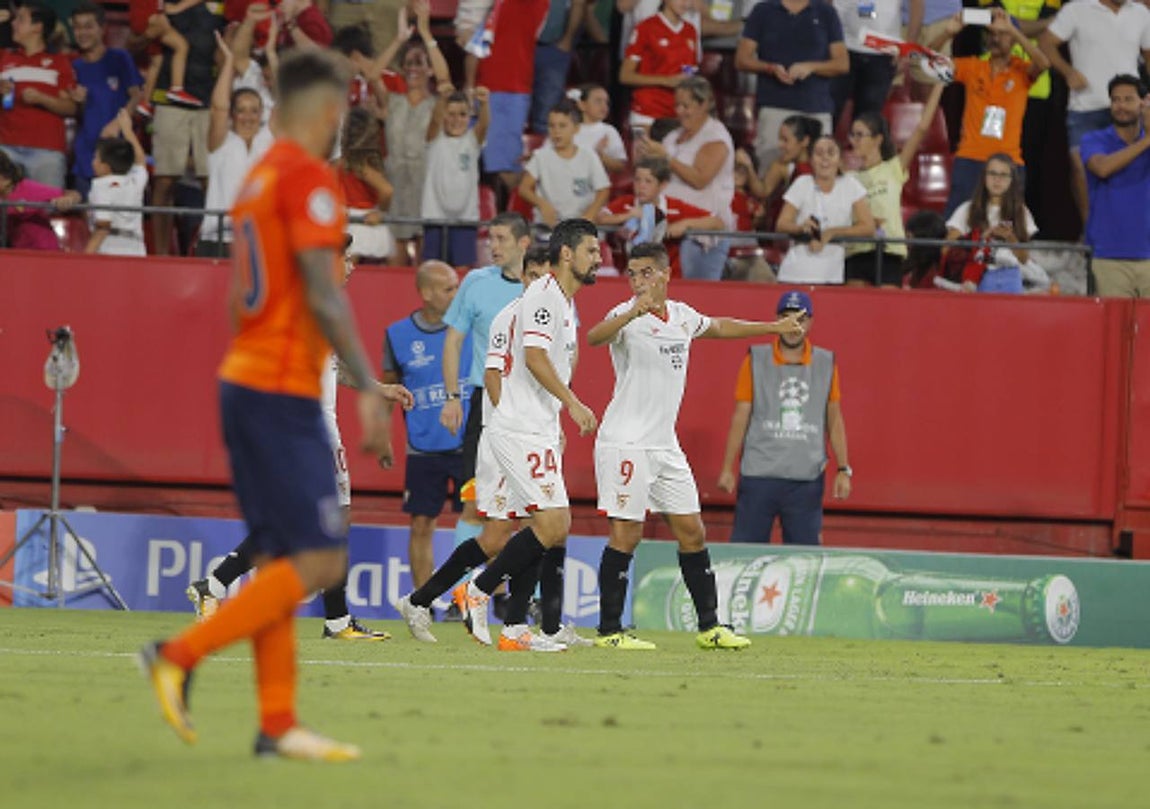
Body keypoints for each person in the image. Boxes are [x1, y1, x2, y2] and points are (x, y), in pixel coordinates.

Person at [139, 49, 412, 761]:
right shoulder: (308, 179)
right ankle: (180, 651)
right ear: (325, 111)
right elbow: (326, 293)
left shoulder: (255, 179)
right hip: (282, 392)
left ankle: (277, 721)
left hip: (248, 380)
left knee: (282, 555)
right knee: (320, 560)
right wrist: (370, 395)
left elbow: (240, 297)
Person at [588, 242, 803, 650]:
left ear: (665, 274)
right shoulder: (625, 314)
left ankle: (710, 628)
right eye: (632, 274)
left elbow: (720, 326)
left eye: (646, 273)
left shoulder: (683, 316)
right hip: (626, 442)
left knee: (692, 532)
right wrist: (633, 311)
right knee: (626, 534)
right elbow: (595, 338)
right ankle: (609, 632)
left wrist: (772, 328)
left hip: (664, 445)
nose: (638, 281)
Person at [186, 245, 394, 641]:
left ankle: (213, 585)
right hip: (310, 429)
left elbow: (334, 367)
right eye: (345, 258)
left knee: (303, 525)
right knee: (335, 519)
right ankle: (336, 621)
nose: (351, 266)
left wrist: (377, 388)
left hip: (303, 429)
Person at [396, 248, 582, 648]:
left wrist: (552, 423)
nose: (533, 283)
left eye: (539, 275)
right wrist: (510, 424)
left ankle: (425, 601)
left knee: (508, 532)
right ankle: (484, 600)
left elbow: (555, 375)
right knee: (521, 526)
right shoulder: (510, 316)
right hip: (505, 433)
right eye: (527, 276)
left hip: (532, 430)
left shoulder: (559, 314)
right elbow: (493, 374)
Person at [448, 218, 601, 651]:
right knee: (553, 523)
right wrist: (572, 402)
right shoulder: (544, 296)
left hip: (538, 428)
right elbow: (533, 357)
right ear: (567, 253)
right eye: (592, 250)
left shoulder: (563, 303)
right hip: (517, 428)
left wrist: (556, 418)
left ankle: (515, 630)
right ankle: (478, 589)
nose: (599, 258)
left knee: (549, 525)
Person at [717, 290, 851, 545]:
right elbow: (740, 417)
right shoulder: (756, 359)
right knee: (745, 554)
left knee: (804, 560)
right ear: (776, 320)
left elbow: (834, 419)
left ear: (811, 322)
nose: (793, 325)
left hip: (806, 480)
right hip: (759, 476)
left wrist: (844, 469)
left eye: (800, 319)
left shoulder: (826, 362)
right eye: (787, 317)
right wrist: (727, 468)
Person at [436, 212, 532, 562]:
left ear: (524, 243)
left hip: (529, 407)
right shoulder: (475, 282)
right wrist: (452, 397)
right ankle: (462, 593)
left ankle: (525, 599)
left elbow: (566, 351)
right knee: (475, 503)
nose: (493, 246)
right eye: (490, 238)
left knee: (532, 506)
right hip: (484, 405)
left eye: (501, 239)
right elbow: (453, 341)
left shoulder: (543, 286)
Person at [382, 261, 470, 593]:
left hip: (468, 444)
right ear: (426, 293)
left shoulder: (470, 328)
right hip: (422, 448)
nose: (457, 293)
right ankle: (424, 602)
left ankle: (476, 599)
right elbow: (387, 388)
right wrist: (382, 435)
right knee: (421, 525)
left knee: (478, 523)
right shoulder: (398, 335)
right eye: (449, 288)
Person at [1040, 0, 1150, 227]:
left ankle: (1131, 228)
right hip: (1085, 107)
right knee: (1080, 167)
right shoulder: (1077, 9)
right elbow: (1046, 42)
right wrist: (1067, 71)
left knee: (1134, 167)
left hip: (1129, 109)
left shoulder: (1140, 13)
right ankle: (1091, 231)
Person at [931, 9, 1048, 218]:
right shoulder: (973, 67)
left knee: (1008, 224)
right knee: (956, 221)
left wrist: (1014, 29)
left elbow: (1043, 64)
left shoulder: (1022, 71)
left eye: (1002, 35)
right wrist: (948, 33)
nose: (996, 39)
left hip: (1008, 161)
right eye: (992, 34)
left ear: (1013, 40)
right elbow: (929, 61)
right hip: (969, 157)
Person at [845, 82, 944, 287]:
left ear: (877, 139)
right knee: (854, 314)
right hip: (857, 251)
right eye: (851, 134)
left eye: (859, 135)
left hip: (889, 251)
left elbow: (922, 127)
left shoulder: (893, 168)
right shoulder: (848, 178)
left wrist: (939, 85)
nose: (853, 140)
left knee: (886, 315)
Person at [636, 76, 735, 281]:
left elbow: (700, 179)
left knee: (698, 299)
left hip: (700, 234)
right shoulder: (674, 136)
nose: (679, 111)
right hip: (670, 229)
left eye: (686, 105)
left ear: (704, 104)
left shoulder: (715, 137)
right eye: (677, 105)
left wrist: (665, 157)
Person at [734, 0, 848, 170]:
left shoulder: (826, 13)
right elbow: (742, 59)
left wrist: (811, 67)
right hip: (774, 107)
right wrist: (770, 68)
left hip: (815, 109)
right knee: (768, 173)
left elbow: (842, 64)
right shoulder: (762, 11)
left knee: (817, 177)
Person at [377, 0, 450, 264]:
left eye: (420, 63)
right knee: (394, 255)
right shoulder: (393, 102)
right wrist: (398, 40)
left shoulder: (437, 105)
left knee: (424, 259)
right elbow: (373, 74)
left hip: (424, 183)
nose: (414, 68)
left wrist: (426, 33)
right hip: (395, 181)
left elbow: (446, 83)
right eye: (409, 63)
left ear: (429, 69)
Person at [148, 0, 219, 256]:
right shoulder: (164, 8)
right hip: (170, 99)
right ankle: (162, 252)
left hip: (207, 100)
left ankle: (213, 245)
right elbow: (141, 37)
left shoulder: (219, 9)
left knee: (210, 179)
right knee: (165, 179)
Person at [196, 29, 274, 258]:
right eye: (241, 110)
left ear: (262, 114)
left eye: (254, 111)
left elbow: (285, 101)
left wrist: (271, 53)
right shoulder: (222, 142)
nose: (248, 116)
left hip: (260, 240)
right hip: (218, 239)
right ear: (233, 114)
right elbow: (218, 107)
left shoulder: (268, 140)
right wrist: (229, 62)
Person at [1080, 74, 1150, 297]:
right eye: (1115, 100)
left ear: (1143, 102)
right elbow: (1102, 168)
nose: (1120, 106)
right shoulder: (1094, 139)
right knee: (1113, 330)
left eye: (1128, 99)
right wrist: (1147, 140)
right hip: (1109, 257)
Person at [596, 155, 722, 277]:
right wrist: (627, 216)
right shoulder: (625, 203)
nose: (641, 186)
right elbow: (599, 219)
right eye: (637, 180)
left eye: (648, 181)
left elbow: (717, 222)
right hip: (628, 278)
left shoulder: (674, 207)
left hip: (669, 280)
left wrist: (685, 224)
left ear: (663, 185)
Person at [68, 2, 144, 200]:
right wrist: (79, 103)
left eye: (88, 26)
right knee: (88, 222)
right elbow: (75, 114)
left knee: (118, 219)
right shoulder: (72, 66)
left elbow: (136, 95)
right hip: (86, 157)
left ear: (102, 29)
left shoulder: (119, 58)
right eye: (77, 27)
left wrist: (117, 123)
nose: (82, 32)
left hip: (119, 155)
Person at [776, 135, 875, 285]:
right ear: (811, 160)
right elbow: (782, 224)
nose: (825, 158)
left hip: (831, 276)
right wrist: (801, 228)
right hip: (794, 275)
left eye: (831, 153)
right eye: (819, 153)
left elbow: (868, 227)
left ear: (840, 160)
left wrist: (832, 232)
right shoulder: (802, 183)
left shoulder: (851, 185)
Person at [0, 2, 77, 189]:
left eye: (21, 19)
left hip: (47, 151)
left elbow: (72, 108)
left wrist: (42, 99)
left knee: (45, 212)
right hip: (5, 149)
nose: (13, 23)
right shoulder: (3, 57)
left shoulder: (60, 63)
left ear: (38, 27)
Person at [944, 152, 1038, 291]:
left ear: (1012, 180)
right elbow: (946, 250)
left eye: (1003, 175)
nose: (997, 179)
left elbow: (1024, 259)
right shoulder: (966, 209)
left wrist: (1011, 238)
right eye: (992, 173)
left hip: (1011, 276)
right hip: (978, 276)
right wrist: (982, 238)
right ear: (984, 177)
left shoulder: (1021, 212)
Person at [421, 84, 490, 268]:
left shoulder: (472, 142)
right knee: (433, 272)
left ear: (469, 117)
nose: (456, 120)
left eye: (462, 114)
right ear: (443, 115)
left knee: (461, 273)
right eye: (450, 114)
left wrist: (483, 104)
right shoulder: (434, 139)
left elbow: (484, 125)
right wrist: (442, 98)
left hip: (465, 220)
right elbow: (434, 122)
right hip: (434, 218)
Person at [830, 0, 923, 127]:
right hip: (842, 47)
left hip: (882, 53)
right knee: (828, 114)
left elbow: (917, 6)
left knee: (867, 122)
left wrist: (907, 49)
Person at [519, 99, 612, 227]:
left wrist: (589, 215)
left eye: (562, 126)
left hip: (581, 226)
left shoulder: (589, 155)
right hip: (548, 227)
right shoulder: (540, 156)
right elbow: (524, 188)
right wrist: (542, 204)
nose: (556, 131)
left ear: (576, 128)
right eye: (552, 126)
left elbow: (603, 190)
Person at [619, 0, 700, 130]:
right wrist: (665, 81)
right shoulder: (646, 27)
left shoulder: (690, 31)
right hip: (648, 112)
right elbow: (625, 75)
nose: (685, 3)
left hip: (678, 114)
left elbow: (690, 68)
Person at [734, 114, 820, 228]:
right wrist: (748, 166)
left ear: (804, 141)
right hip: (781, 232)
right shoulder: (781, 165)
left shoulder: (820, 168)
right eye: (780, 139)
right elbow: (763, 191)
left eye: (785, 140)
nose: (780, 145)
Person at [86, 110, 148, 256]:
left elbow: (103, 227)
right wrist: (127, 130)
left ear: (106, 167)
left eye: (96, 158)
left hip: (110, 249)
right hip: (137, 251)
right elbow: (140, 159)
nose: (93, 162)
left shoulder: (101, 186)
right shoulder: (134, 181)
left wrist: (84, 259)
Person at [338, 106, 395, 263]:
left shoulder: (360, 164)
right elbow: (387, 190)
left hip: (362, 222)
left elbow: (387, 190)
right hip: (353, 221)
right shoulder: (349, 161)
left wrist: (380, 213)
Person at [127, 0, 204, 114]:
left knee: (157, 60)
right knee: (181, 46)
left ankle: (145, 102)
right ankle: (176, 88)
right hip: (152, 17)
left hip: (140, 17)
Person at [0, 148, 79, 250]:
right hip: (19, 255)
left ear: (5, 175)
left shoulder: (26, 188)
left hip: (45, 253)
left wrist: (68, 199)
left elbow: (74, 194)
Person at [530, 0, 586, 135]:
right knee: (514, 101)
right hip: (517, 47)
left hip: (553, 48)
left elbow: (579, 4)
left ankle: (544, 151)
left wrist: (567, 40)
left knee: (547, 108)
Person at [572, 82, 627, 174]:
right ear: (582, 105)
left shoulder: (609, 131)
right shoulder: (568, 129)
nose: (604, 106)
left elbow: (620, 166)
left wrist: (601, 156)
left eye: (606, 102)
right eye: (598, 101)